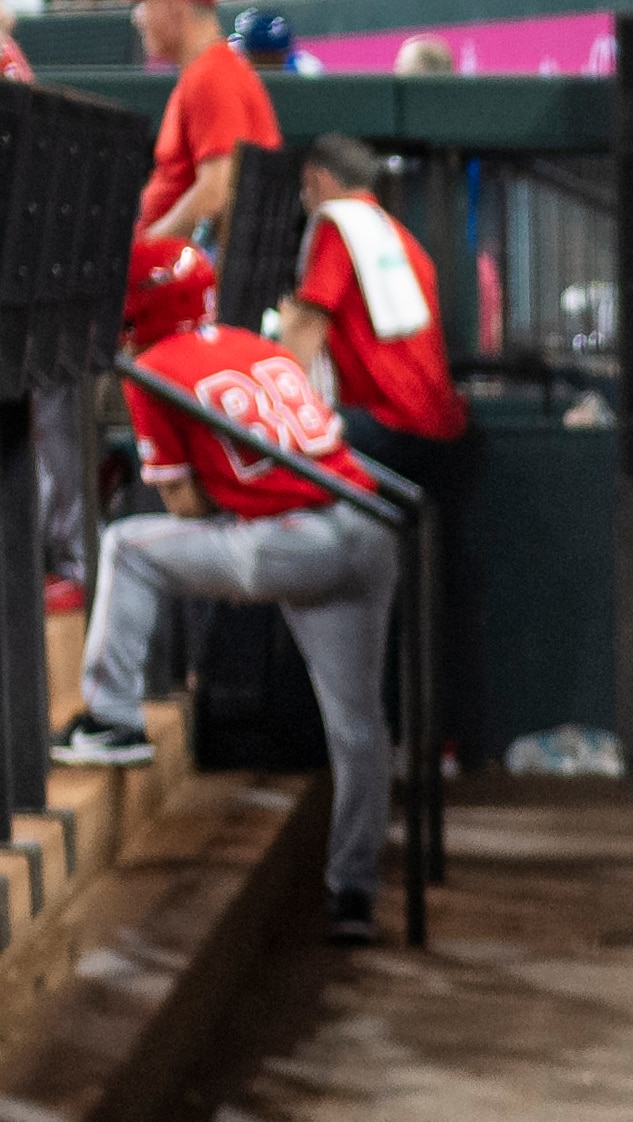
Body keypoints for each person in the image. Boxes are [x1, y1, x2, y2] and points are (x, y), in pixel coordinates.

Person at [58, 237, 401, 947]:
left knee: (128, 545)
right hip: (366, 528)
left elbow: (182, 505)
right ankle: (354, 894)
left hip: (287, 546)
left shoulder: (151, 366)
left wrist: (225, 495)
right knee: (358, 726)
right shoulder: (257, 343)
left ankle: (114, 718)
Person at [279, 134, 466, 491]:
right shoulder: (395, 233)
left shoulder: (339, 225)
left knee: (282, 453)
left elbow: (306, 326)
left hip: (390, 424)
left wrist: (273, 405)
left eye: (305, 187)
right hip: (439, 423)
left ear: (319, 179)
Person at [124, 0, 281, 242]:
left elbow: (216, 193)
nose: (137, 16)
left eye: (144, 2)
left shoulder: (211, 75)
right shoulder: (211, 69)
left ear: (173, 3)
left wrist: (143, 250)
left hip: (182, 273)